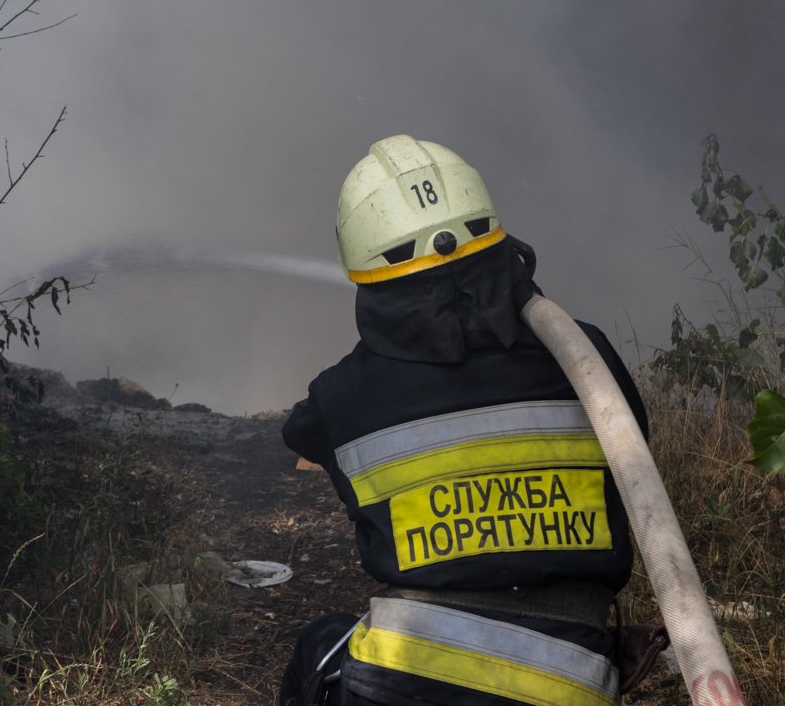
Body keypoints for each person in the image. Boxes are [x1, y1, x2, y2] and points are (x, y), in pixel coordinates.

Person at [278, 135, 649, 706]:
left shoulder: (342, 395)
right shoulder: (586, 357)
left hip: (400, 682)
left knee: (319, 645)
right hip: (571, 678)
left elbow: (300, 431)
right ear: (496, 239)